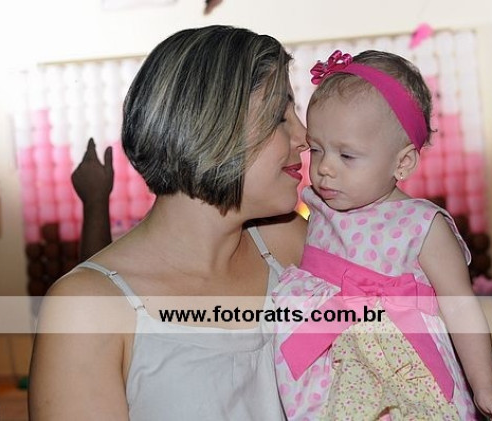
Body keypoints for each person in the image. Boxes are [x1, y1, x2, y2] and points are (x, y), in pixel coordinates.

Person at [29, 25, 308, 420]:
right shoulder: (86, 308)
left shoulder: (288, 243)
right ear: (208, 124)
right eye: (280, 116)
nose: (304, 136)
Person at [273, 50, 492, 420]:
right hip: (327, 368)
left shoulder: (422, 224)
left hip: (404, 373)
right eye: (318, 150)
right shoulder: (316, 207)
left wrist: (484, 385)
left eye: (347, 156)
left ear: (402, 162)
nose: (324, 169)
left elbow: (459, 306)